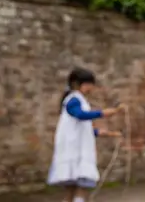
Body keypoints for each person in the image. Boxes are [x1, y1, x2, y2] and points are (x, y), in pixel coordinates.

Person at [47, 68, 125, 202]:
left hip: (76, 148)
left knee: (73, 190)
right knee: (80, 189)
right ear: (77, 84)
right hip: (75, 151)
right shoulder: (74, 100)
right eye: (88, 84)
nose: (91, 88)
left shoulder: (78, 100)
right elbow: (80, 115)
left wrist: (99, 132)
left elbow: (79, 127)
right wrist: (103, 113)